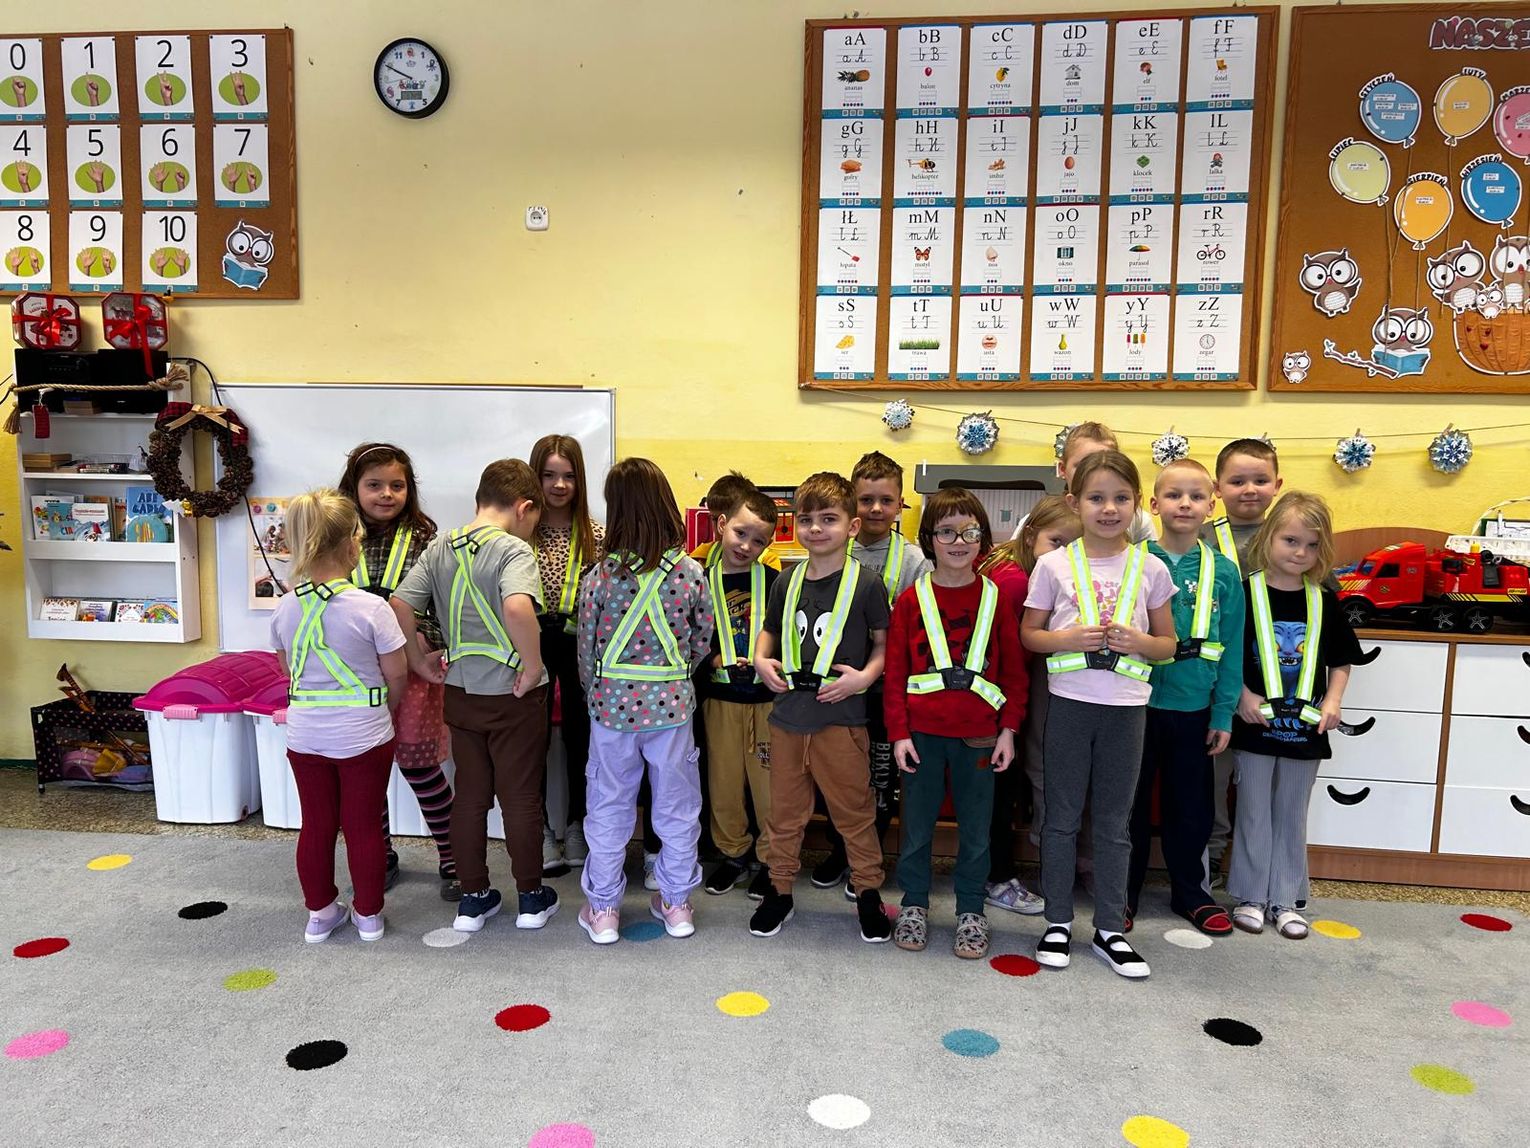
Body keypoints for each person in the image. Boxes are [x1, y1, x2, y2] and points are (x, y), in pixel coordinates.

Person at [1022, 451, 1178, 978]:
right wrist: (1065, 638)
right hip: (1070, 704)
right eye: (1096, 498)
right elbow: (1030, 634)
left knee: (1114, 823)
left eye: (1120, 498)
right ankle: (1057, 922)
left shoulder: (1151, 567)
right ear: (1074, 503)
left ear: (1137, 505)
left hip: (1126, 709)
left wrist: (1141, 642)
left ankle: (1110, 928)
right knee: (1061, 818)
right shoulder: (1053, 565)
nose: (1108, 508)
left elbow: (1167, 645)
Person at [390, 460, 560, 935]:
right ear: (524, 508)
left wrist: (418, 661)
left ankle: (472, 898)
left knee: (469, 795)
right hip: (513, 694)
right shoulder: (514, 550)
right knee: (520, 796)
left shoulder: (441, 545)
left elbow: (400, 604)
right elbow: (517, 606)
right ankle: (531, 898)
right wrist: (532, 666)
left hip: (460, 692)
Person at [749, 471, 894, 944]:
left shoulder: (867, 584)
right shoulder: (786, 580)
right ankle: (780, 890)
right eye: (806, 519)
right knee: (784, 815)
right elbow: (770, 630)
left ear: (852, 527)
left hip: (842, 720)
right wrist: (760, 658)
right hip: (789, 718)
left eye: (828, 519)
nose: (815, 528)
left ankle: (868, 892)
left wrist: (865, 678)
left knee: (855, 813)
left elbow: (884, 645)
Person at [575, 458, 714, 944]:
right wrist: (671, 678)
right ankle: (676, 904)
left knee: (608, 805)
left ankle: (604, 909)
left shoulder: (599, 576)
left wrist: (599, 692)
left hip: (611, 710)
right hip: (672, 709)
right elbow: (702, 640)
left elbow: (586, 650)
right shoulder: (691, 573)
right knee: (677, 806)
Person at [884, 489, 1026, 960]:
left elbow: (1014, 673)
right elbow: (895, 674)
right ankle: (914, 902)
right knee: (917, 828)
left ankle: (971, 909)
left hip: (980, 736)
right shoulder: (911, 601)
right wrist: (898, 733)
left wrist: (1009, 730)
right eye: (946, 532)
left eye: (969, 531)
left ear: (983, 538)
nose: (959, 541)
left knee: (977, 831)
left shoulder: (996, 599)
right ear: (929, 539)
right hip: (921, 736)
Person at [270, 490, 409, 943]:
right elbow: (397, 674)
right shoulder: (372, 608)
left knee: (316, 824)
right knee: (363, 825)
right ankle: (368, 916)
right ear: (352, 544)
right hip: (363, 732)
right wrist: (384, 710)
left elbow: (288, 669)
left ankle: (320, 913)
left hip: (305, 733)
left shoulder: (285, 607)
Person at [1228, 492, 1360, 941]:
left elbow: (1341, 661)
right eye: (1290, 540)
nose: (1301, 552)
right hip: (1255, 726)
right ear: (1268, 538)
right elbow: (1226, 654)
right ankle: (1250, 896)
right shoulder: (1245, 593)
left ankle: (1285, 899)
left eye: (1312, 545)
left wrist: (1333, 701)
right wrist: (1242, 696)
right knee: (1253, 811)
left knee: (1291, 813)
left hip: (1306, 730)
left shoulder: (1325, 600)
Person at [1125, 460, 1245, 937]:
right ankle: (1123, 892)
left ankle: (1191, 892)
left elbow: (1232, 646)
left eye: (1196, 496)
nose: (1185, 504)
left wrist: (1223, 712)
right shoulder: (1132, 561)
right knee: (1129, 805)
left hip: (1194, 709)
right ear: (1154, 505)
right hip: (1134, 705)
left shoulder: (1224, 572)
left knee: (1191, 808)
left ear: (1211, 506)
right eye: (1174, 495)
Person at [337, 442, 457, 901]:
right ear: (353, 488)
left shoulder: (425, 538)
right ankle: (381, 854)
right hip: (353, 670)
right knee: (368, 772)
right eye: (374, 485)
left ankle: (453, 856)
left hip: (412, 664)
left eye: (397, 485)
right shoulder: (336, 534)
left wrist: (426, 640)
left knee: (421, 767)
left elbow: (441, 603)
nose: (386, 494)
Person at [813, 451, 933, 893]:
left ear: (901, 504)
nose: (877, 509)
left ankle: (869, 856)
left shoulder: (915, 561)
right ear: (852, 503)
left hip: (886, 689)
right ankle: (838, 850)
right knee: (837, 776)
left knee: (879, 779)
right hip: (837, 690)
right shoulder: (830, 550)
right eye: (866, 500)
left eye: (886, 500)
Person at [976, 494, 1079, 915]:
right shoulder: (1018, 581)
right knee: (1000, 791)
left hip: (994, 697)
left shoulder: (1013, 564)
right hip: (996, 701)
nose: (1064, 555)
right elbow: (1015, 657)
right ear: (1032, 534)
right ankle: (996, 878)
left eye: (1074, 547)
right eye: (1057, 542)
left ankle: (994, 873)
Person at [529, 434, 606, 876]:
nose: (559, 485)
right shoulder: (520, 534)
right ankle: (540, 829)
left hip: (581, 647)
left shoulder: (597, 535)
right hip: (531, 644)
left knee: (582, 736)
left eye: (569, 476)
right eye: (549, 475)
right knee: (531, 738)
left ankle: (577, 823)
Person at [700, 486, 780, 900]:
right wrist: (710, 659)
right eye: (741, 533)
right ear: (722, 525)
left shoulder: (777, 583)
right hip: (721, 701)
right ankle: (733, 854)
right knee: (724, 784)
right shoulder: (698, 582)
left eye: (759, 541)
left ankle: (770, 859)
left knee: (770, 787)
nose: (747, 546)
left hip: (767, 703)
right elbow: (685, 635)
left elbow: (787, 636)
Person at [1011, 423, 1157, 544]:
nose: (1093, 473)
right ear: (1062, 469)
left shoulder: (1138, 521)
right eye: (1082, 465)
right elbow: (1013, 562)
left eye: (1106, 464)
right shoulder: (1037, 520)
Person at [691, 471, 784, 571]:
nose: (719, 528)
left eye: (740, 532)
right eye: (714, 519)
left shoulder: (769, 561)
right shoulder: (702, 555)